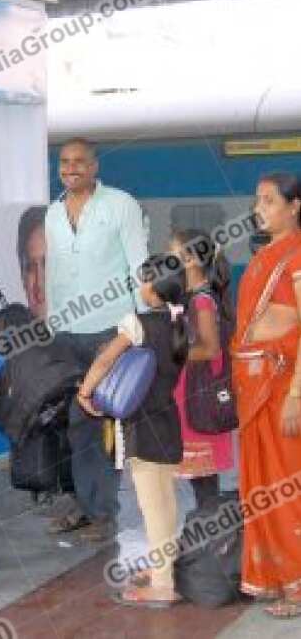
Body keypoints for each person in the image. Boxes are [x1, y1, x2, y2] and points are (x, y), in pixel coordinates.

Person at [45, 138, 149, 542]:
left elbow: (139, 265)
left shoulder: (121, 205)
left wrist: (142, 324)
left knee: (104, 424)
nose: (70, 168)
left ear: (94, 166)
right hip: (66, 333)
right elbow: (53, 273)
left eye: (79, 161)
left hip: (110, 332)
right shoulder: (53, 213)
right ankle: (89, 506)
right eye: (64, 162)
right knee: (72, 425)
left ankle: (110, 511)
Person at [77, 254, 189, 608]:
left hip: (142, 427)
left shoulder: (137, 323)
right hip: (168, 422)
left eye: (144, 280)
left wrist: (85, 392)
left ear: (154, 288)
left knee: (152, 508)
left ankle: (162, 586)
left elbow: (105, 360)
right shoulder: (179, 323)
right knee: (166, 503)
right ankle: (163, 569)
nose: (141, 286)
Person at [231, 172, 301, 619]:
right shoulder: (263, 256)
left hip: (282, 388)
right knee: (262, 487)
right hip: (254, 388)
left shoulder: (297, 256)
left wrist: (296, 395)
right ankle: (276, 576)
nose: (259, 209)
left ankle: (297, 583)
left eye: (270, 201)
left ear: (295, 207)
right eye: (258, 200)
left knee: (286, 487)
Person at [169, 229, 234, 508]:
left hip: (199, 393)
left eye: (173, 253)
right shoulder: (193, 296)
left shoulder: (202, 300)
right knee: (202, 478)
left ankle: (212, 521)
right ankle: (210, 518)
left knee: (204, 478)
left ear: (191, 260)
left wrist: (172, 354)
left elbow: (210, 349)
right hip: (194, 390)